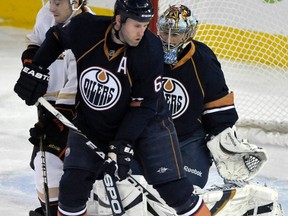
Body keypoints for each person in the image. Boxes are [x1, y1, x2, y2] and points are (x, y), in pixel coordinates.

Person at [14, 0, 212, 215]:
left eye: (146, 25)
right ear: (118, 20)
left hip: (148, 126)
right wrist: (36, 68)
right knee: (72, 189)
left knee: (175, 192)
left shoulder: (150, 50)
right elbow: (56, 37)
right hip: (93, 122)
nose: (142, 32)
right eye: (137, 25)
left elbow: (143, 107)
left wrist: (122, 144)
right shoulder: (87, 28)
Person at [157, 4, 267, 189]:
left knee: (187, 192)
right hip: (151, 136)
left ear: (188, 34)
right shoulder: (147, 54)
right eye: (164, 32)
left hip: (189, 140)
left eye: (175, 34)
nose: (168, 40)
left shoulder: (204, 60)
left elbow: (218, 108)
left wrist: (225, 148)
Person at [21, 1, 93, 215]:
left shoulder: (89, 30)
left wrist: (59, 118)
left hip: (76, 109)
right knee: (42, 162)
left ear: (76, 2)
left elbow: (78, 82)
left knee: (64, 164)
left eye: (58, 2)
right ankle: (50, 210)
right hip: (49, 105)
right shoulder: (47, 14)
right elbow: (35, 41)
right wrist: (31, 65)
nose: (51, 7)